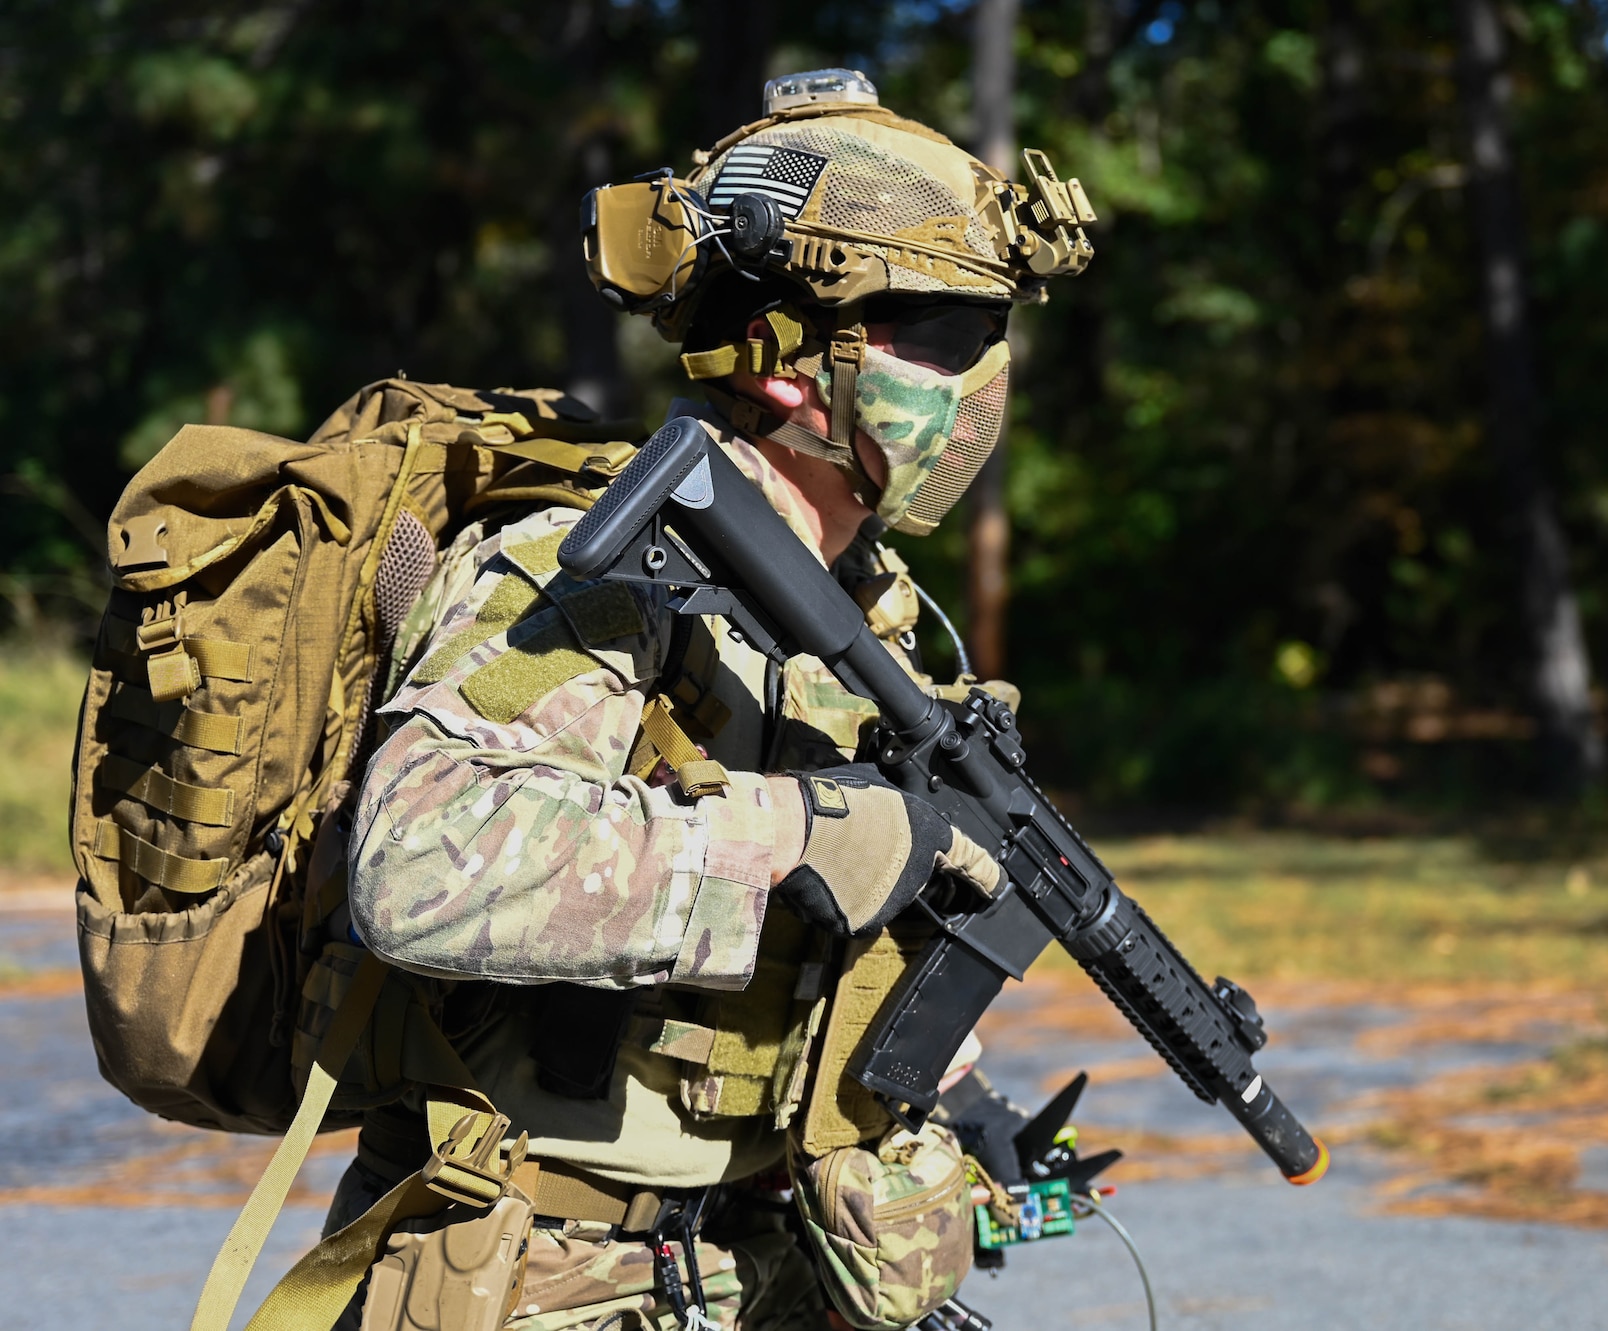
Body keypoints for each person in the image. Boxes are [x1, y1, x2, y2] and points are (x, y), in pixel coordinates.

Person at [332, 69, 1093, 1331]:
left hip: (761, 1262)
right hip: (535, 1270)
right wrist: (788, 834)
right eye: (949, 337)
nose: (983, 380)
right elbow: (416, 860)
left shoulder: (881, 615)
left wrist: (951, 1098)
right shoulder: (595, 568)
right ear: (798, 365)